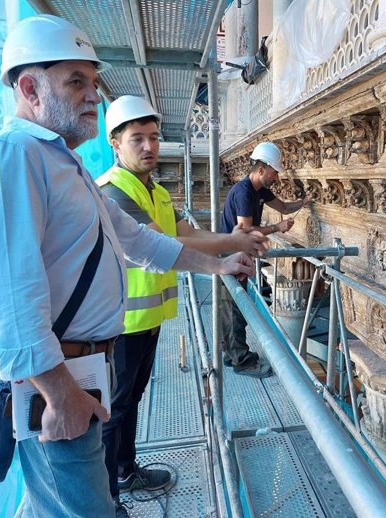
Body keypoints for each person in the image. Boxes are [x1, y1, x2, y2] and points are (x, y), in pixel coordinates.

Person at [0, 15, 252, 518]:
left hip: (83, 369)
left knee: (77, 500)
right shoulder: (10, 158)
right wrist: (59, 392)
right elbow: (8, 298)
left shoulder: (64, 166)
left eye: (93, 82)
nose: (94, 95)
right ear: (30, 88)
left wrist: (218, 266)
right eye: (76, 81)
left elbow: (142, 243)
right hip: (55, 380)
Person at [96, 95, 267, 516]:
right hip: (121, 325)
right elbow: (163, 243)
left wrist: (230, 244)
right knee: (112, 412)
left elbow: (184, 228)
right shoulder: (114, 192)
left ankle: (124, 470)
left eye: (154, 137)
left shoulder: (149, 187)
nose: (149, 147)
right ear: (115, 143)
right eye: (137, 139)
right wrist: (230, 246)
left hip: (146, 319)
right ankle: (106, 500)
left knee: (129, 401)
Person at [220, 141, 307, 378]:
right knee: (235, 309)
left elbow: (285, 207)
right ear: (261, 169)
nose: (276, 177)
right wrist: (277, 227)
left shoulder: (260, 191)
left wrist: (304, 202)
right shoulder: (245, 192)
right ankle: (242, 361)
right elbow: (245, 231)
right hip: (230, 255)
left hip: (238, 254)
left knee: (233, 307)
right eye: (274, 171)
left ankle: (231, 354)